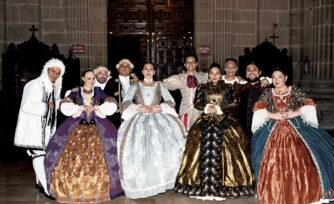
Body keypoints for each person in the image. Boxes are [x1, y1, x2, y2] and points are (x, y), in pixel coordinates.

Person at [251, 68, 334, 204]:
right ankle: (274, 191)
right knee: (268, 159)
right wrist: (273, 115)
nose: (277, 80)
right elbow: (258, 107)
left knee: (304, 158)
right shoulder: (267, 92)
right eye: (274, 77)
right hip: (273, 127)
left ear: (286, 77)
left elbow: (310, 103)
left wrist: (295, 113)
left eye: (280, 76)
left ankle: (304, 191)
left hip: (296, 126)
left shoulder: (294, 90)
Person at [175, 63, 254, 201]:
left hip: (224, 118)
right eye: (212, 73)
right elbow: (197, 103)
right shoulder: (202, 87)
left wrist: (218, 107)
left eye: (217, 73)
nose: (215, 75)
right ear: (209, 75)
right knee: (198, 141)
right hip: (205, 119)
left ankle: (226, 185)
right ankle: (199, 185)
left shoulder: (228, 87)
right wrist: (206, 107)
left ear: (220, 73)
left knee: (230, 142)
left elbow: (234, 103)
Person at [44, 69, 123, 203]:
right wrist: (79, 108)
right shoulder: (76, 92)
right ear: (83, 78)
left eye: (93, 79)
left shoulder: (98, 91)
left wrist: (97, 109)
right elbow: (64, 103)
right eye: (88, 78)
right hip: (77, 127)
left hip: (97, 126)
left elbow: (112, 101)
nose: (91, 81)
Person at [117, 62, 186, 199]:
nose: (148, 72)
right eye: (146, 69)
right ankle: (144, 182)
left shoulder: (160, 85)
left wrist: (159, 107)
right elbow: (125, 101)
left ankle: (161, 180)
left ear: (154, 72)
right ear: (142, 71)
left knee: (164, 146)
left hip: (158, 118)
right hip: (139, 118)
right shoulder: (135, 85)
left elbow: (171, 101)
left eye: (151, 69)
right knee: (140, 148)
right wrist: (138, 107)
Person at [14, 58, 65, 197]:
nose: (54, 74)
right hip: (34, 128)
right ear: (46, 69)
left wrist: (66, 99)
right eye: (52, 70)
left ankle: (40, 182)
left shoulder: (53, 87)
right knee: (38, 155)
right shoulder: (34, 84)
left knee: (44, 155)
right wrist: (45, 106)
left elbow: (56, 104)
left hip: (47, 129)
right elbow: (26, 106)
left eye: (58, 72)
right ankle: (49, 189)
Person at [163, 53, 207, 131]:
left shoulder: (203, 77)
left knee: (199, 133)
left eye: (192, 62)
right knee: (184, 133)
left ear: (196, 64)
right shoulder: (181, 78)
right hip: (185, 110)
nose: (190, 64)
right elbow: (165, 83)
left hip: (199, 110)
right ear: (185, 65)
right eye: (188, 62)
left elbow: (216, 80)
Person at [236, 61, 268, 138]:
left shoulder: (267, 89)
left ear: (260, 72)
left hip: (261, 131)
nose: (251, 72)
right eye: (248, 70)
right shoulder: (240, 88)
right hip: (242, 131)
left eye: (254, 69)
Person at [108, 58, 138, 128]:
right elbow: (105, 96)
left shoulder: (136, 81)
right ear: (118, 69)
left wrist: (137, 84)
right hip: (116, 117)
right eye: (122, 66)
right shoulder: (111, 81)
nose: (124, 67)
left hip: (134, 114)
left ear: (130, 70)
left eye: (127, 66)